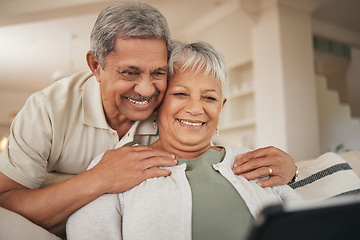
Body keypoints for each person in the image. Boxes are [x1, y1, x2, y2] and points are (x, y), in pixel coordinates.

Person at [0, 1, 296, 236]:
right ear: (95, 65)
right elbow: (5, 201)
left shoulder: (166, 104)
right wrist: (99, 179)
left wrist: (291, 170)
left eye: (158, 73)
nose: (145, 90)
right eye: (130, 72)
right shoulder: (48, 110)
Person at [66, 40, 302, 240]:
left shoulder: (254, 161)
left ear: (221, 106)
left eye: (209, 98)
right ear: (157, 103)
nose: (195, 109)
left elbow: (311, 225)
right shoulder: (117, 164)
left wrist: (294, 170)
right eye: (181, 94)